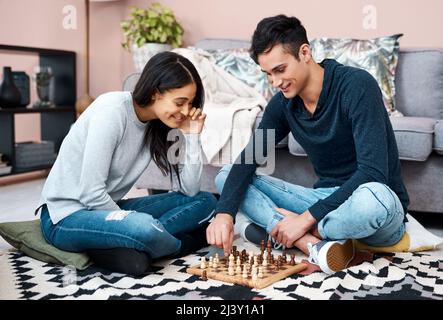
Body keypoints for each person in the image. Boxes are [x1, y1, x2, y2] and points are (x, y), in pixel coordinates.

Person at [206, 15, 409, 274]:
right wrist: (224, 213)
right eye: (268, 74)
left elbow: (373, 173)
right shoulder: (282, 104)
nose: (275, 82)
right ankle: (309, 243)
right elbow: (249, 159)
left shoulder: (356, 85)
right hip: (322, 200)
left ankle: (291, 229)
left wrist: (305, 219)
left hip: (371, 202)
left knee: (375, 200)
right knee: (227, 177)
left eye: (280, 70)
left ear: (305, 53)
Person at [37, 51, 217, 276]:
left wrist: (191, 136)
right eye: (180, 102)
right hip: (65, 217)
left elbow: (189, 190)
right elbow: (91, 193)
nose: (185, 111)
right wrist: (128, 223)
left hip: (106, 209)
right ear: (154, 93)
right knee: (142, 226)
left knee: (207, 200)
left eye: (189, 103)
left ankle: (132, 244)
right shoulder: (111, 111)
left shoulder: (160, 123)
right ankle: (178, 245)